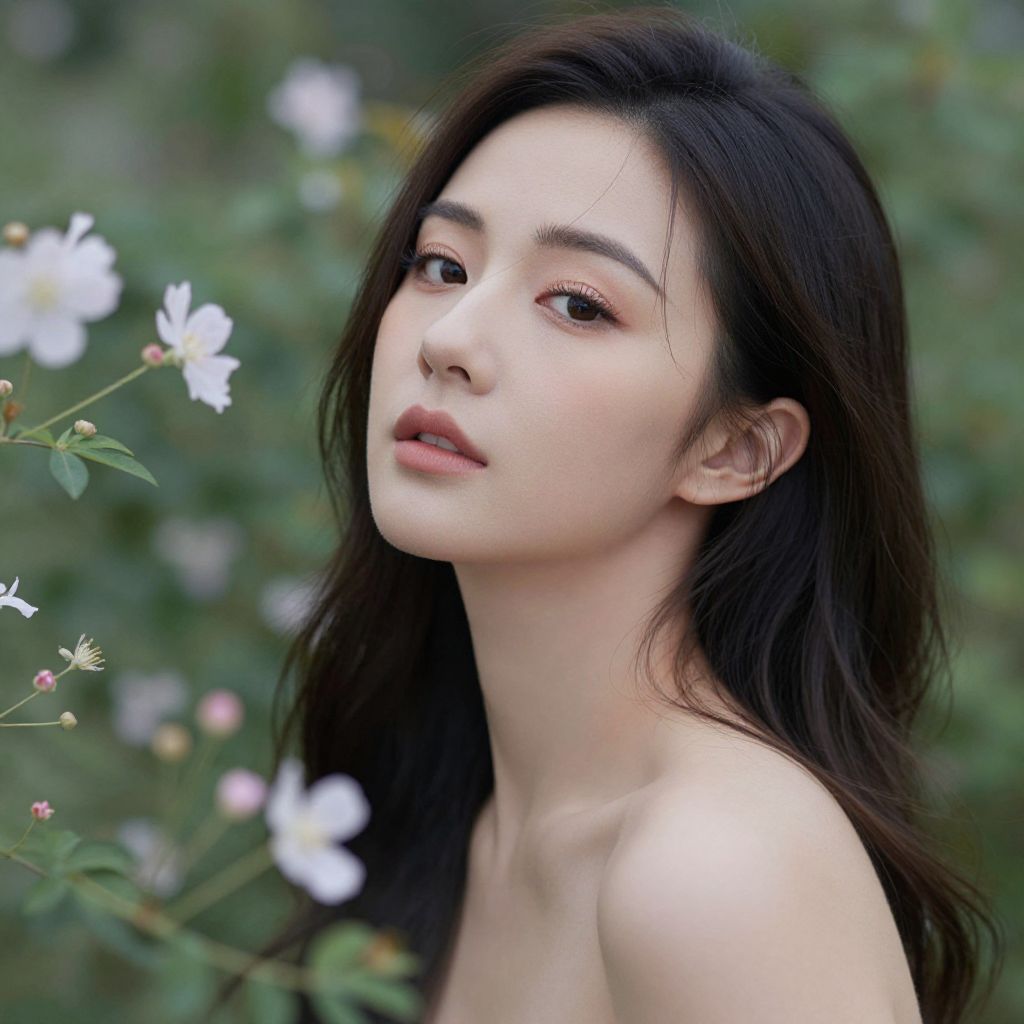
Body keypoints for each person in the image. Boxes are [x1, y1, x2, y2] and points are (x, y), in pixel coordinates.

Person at [258, 7, 1003, 1023]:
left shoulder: (716, 873)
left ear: (735, 448)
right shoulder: (455, 808)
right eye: (442, 265)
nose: (451, 339)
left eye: (576, 303)